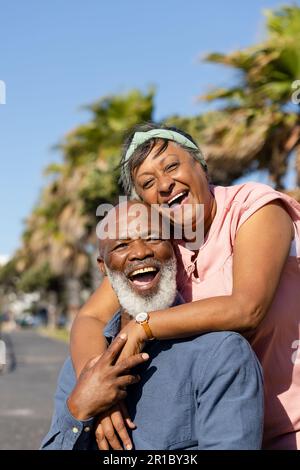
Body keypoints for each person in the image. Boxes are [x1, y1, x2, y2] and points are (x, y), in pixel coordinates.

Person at [71, 122, 300, 450]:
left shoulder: (255, 207)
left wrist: (144, 326)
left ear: (201, 164)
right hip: (222, 428)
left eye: (172, 166)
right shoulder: (161, 244)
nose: (164, 184)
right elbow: (90, 318)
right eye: (147, 182)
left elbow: (247, 308)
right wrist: (98, 386)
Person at [41, 202, 263, 450]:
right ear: (103, 266)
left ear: (173, 251)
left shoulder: (219, 354)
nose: (139, 252)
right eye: (122, 245)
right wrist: (79, 409)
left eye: (153, 238)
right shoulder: (82, 364)